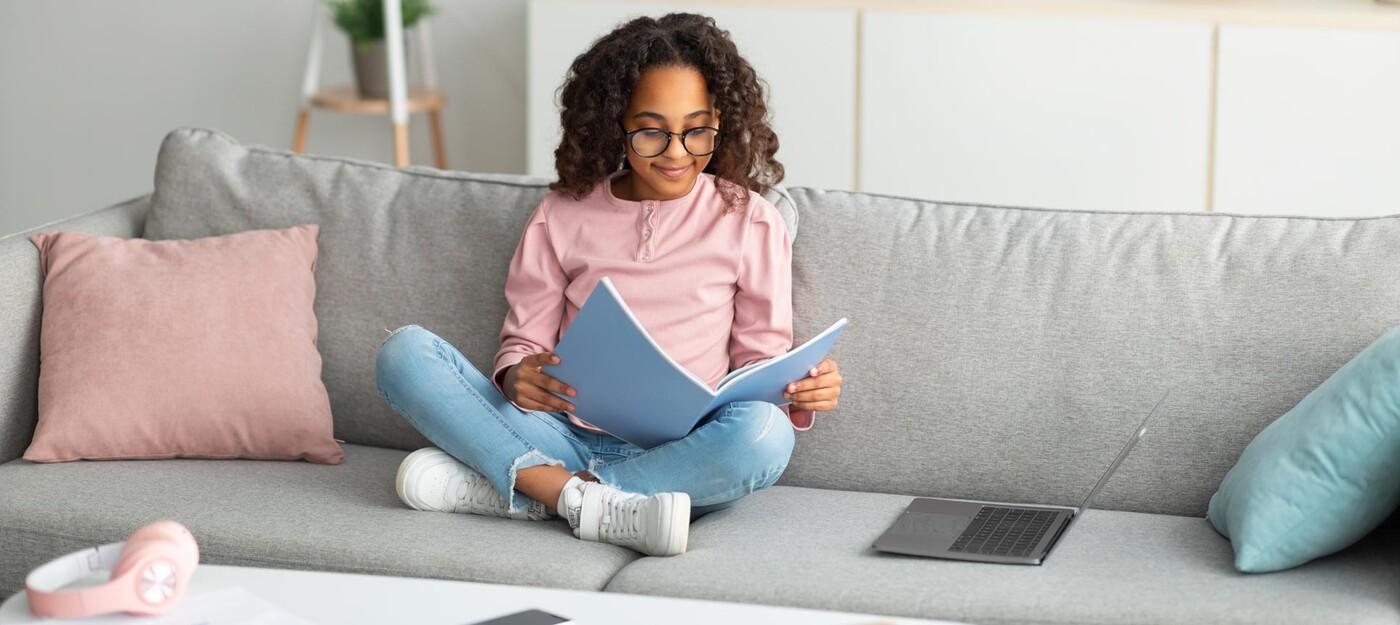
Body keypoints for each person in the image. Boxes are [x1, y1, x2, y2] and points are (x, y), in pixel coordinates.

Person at [374, 13, 842, 557]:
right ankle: (599, 503)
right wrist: (514, 377)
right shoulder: (561, 216)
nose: (676, 152)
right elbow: (524, 344)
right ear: (614, 124)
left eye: (696, 130)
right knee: (403, 353)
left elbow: (760, 364)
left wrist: (799, 391)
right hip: (560, 434)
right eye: (651, 131)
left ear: (719, 118)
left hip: (685, 450)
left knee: (765, 433)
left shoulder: (750, 220)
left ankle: (537, 490)